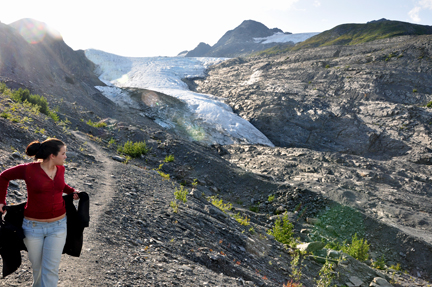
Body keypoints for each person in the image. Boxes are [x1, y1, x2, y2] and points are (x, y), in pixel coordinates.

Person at [0, 138, 80, 287]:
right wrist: (1, 201)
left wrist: (72, 191)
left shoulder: (60, 169)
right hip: (33, 227)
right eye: (63, 153)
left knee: (50, 269)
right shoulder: (28, 169)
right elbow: (3, 176)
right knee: (38, 267)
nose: (65, 157)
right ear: (52, 155)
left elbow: (60, 185)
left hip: (58, 226)